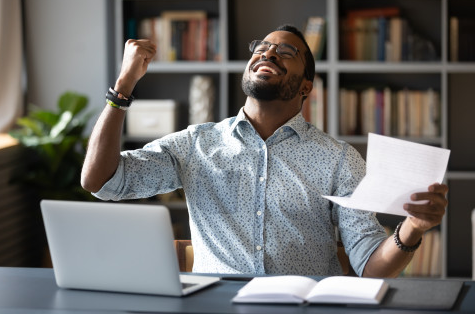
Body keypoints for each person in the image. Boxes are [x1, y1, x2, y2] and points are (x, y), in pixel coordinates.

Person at [81, 24, 448, 277]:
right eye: (262, 48)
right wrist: (122, 89)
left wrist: (412, 228)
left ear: (306, 86)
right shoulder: (196, 144)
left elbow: (370, 265)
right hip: (216, 306)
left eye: (286, 51)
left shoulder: (339, 159)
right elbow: (103, 182)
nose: (269, 53)